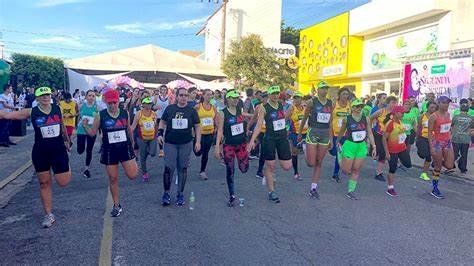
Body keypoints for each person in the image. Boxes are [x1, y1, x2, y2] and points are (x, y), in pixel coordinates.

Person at [0, 86, 72, 227]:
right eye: (42, 95)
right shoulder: (32, 111)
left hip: (58, 151)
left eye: (47, 95)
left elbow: (62, 125)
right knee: (44, 183)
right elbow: (7, 115)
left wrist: (67, 140)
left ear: (51, 96)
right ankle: (48, 214)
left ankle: (64, 167)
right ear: (37, 98)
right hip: (40, 152)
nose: (45, 97)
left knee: (63, 182)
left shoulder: (57, 109)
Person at [83, 89, 138, 217]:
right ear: (105, 103)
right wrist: (85, 126)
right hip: (109, 150)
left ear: (118, 101)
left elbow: (129, 129)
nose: (113, 105)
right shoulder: (100, 115)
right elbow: (92, 133)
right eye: (110, 103)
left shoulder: (124, 113)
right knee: (113, 178)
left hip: (125, 147)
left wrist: (133, 143)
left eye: (115, 102)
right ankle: (116, 205)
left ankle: (134, 163)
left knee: (133, 175)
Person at [247, 86, 292, 203]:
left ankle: (270, 175)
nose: (275, 96)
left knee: (287, 167)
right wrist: (252, 141)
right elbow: (258, 124)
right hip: (270, 138)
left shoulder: (282, 105)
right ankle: (271, 191)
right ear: (268, 95)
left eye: (277, 93)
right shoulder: (264, 108)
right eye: (273, 94)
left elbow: (284, 118)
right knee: (270, 166)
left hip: (282, 138)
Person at [158, 87, 201, 206]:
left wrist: (198, 141)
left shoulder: (191, 111)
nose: (183, 97)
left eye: (186, 95)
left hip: (186, 144)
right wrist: (160, 134)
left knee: (182, 168)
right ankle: (166, 193)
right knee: (169, 168)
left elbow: (197, 126)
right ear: (177, 96)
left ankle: (180, 193)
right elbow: (162, 122)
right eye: (181, 95)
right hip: (170, 143)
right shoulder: (170, 108)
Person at [299, 81, 333, 199]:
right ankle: (304, 147)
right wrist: (300, 133)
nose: (325, 90)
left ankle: (313, 188)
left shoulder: (330, 103)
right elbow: (304, 118)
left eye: (326, 88)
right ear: (318, 90)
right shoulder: (311, 102)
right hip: (313, 132)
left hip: (324, 134)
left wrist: (331, 138)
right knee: (311, 163)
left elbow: (330, 121)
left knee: (319, 162)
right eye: (323, 88)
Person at [215, 90, 249, 206]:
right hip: (228, 145)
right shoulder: (223, 113)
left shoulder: (239, 110)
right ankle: (232, 195)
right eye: (233, 98)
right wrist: (217, 148)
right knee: (230, 170)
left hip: (241, 145)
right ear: (228, 99)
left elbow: (246, 116)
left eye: (237, 98)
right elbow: (220, 131)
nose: (236, 100)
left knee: (244, 169)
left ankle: (242, 164)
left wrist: (256, 115)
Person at [337, 99, 376, 199]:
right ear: (352, 108)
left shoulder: (366, 118)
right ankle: (339, 154)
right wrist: (337, 141)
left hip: (361, 146)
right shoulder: (347, 119)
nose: (359, 108)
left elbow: (370, 132)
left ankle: (351, 190)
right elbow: (342, 131)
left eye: (361, 107)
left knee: (356, 169)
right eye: (357, 106)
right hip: (350, 145)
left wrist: (374, 146)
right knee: (345, 170)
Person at [427, 95, 455, 199]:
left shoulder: (448, 114)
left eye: (447, 103)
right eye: (444, 103)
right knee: (438, 168)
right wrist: (431, 147)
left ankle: (437, 161)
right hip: (437, 143)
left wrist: (450, 137)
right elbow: (429, 133)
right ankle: (435, 189)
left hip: (447, 142)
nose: (446, 105)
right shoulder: (433, 116)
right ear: (438, 103)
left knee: (449, 166)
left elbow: (449, 128)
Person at [382, 105, 412, 197]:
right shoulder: (390, 124)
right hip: (392, 151)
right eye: (402, 113)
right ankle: (390, 188)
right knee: (392, 169)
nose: (403, 114)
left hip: (402, 148)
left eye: (403, 113)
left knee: (408, 164)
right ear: (396, 113)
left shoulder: (399, 121)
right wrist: (387, 153)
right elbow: (383, 139)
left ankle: (398, 162)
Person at [370, 95, 397, 182]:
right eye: (392, 102)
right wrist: (371, 127)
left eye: (395, 102)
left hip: (388, 136)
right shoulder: (381, 111)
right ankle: (378, 173)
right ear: (388, 103)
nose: (394, 104)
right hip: (378, 134)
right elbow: (370, 118)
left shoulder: (395, 113)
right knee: (382, 152)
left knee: (384, 154)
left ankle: (379, 172)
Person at [131, 97, 158, 182]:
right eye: (147, 103)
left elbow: (156, 126)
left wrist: (159, 134)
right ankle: (144, 173)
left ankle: (146, 151)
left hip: (152, 137)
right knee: (143, 157)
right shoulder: (139, 114)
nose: (149, 105)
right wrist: (128, 134)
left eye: (150, 103)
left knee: (153, 153)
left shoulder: (154, 114)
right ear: (143, 104)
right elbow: (133, 125)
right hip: (141, 138)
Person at [328, 87, 351, 183]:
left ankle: (335, 174)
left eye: (347, 94)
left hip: (344, 134)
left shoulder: (349, 105)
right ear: (339, 95)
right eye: (343, 94)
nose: (345, 96)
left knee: (339, 154)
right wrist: (329, 136)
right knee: (333, 152)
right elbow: (329, 121)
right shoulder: (334, 104)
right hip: (334, 133)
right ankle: (329, 148)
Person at [194, 89, 217, 180]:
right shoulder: (198, 106)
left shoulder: (213, 107)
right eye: (207, 95)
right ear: (203, 96)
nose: (210, 96)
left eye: (211, 95)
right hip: (199, 134)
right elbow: (192, 118)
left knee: (205, 153)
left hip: (209, 133)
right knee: (197, 152)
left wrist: (217, 128)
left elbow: (216, 119)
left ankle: (202, 171)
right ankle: (195, 146)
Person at [76, 90, 99, 178]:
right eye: (89, 95)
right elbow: (79, 116)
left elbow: (98, 120)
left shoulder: (97, 107)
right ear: (86, 97)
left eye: (93, 96)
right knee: (80, 150)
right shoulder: (81, 105)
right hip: (81, 130)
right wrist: (77, 126)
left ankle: (86, 169)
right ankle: (78, 148)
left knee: (89, 150)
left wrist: (98, 130)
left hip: (91, 131)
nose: (91, 97)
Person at [285, 91, 307, 180]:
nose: (296, 99)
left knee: (308, 153)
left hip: (306, 133)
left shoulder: (305, 108)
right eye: (295, 98)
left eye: (298, 98)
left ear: (301, 99)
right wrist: (285, 130)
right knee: (295, 153)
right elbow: (285, 119)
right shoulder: (291, 108)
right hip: (294, 133)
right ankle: (296, 172)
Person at [248, 92, 268, 178]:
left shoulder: (274, 107)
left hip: (270, 132)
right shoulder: (259, 107)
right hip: (261, 131)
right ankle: (259, 171)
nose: (265, 99)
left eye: (266, 97)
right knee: (263, 151)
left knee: (266, 151)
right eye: (264, 98)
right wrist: (248, 127)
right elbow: (254, 118)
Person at [415, 101, 438, 181]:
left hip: (432, 139)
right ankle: (420, 152)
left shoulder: (436, 117)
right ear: (427, 107)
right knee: (423, 154)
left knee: (428, 157)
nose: (433, 109)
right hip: (422, 138)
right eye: (431, 107)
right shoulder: (421, 116)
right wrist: (416, 138)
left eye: (435, 108)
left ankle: (424, 173)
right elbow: (419, 128)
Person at [451, 98, 474, 175]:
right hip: (465, 139)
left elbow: (451, 126)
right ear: (468, 109)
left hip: (456, 138)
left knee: (454, 153)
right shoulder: (471, 118)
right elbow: (472, 129)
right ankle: (463, 169)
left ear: (460, 108)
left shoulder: (455, 117)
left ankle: (450, 166)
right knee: (464, 154)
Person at [152, 85, 169, 157]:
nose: (163, 91)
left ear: (167, 91)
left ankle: (168, 148)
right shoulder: (156, 97)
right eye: (162, 89)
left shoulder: (169, 98)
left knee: (167, 133)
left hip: (166, 118)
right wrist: (155, 107)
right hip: (158, 117)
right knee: (160, 133)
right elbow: (151, 106)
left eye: (165, 90)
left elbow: (171, 107)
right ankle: (161, 150)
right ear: (160, 90)